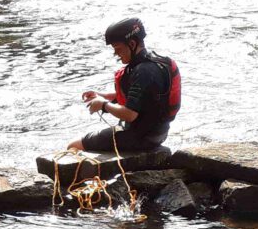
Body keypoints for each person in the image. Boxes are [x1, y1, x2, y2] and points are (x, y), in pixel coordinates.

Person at [68, 17, 180, 153]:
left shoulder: (143, 71)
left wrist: (103, 105)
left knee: (73, 145)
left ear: (132, 44)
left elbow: (130, 114)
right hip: (158, 135)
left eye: (117, 48)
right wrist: (102, 96)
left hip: (137, 138)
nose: (115, 53)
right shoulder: (154, 64)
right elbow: (140, 98)